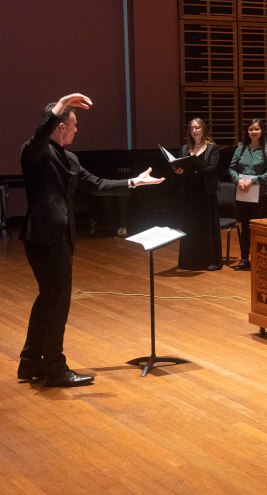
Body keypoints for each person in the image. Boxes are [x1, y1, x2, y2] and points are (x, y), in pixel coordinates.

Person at [19, 93, 164, 387]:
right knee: (56, 303)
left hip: (61, 237)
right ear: (60, 125)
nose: (76, 129)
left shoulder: (69, 158)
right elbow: (38, 137)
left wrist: (134, 181)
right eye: (72, 124)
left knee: (48, 299)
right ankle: (55, 369)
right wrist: (60, 105)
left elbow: (96, 185)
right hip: (44, 237)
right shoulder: (34, 152)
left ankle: (30, 362)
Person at [228, 118, 267, 271]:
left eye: (256, 129)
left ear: (262, 131)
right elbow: (231, 168)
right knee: (245, 227)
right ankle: (244, 259)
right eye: (251, 129)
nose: (254, 132)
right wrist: (238, 180)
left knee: (260, 228)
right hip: (244, 194)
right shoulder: (241, 149)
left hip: (262, 195)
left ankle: (263, 259)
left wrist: (254, 180)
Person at [176, 117, 222, 271]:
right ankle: (189, 260)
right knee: (190, 225)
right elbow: (180, 166)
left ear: (203, 129)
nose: (194, 131)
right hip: (189, 192)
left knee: (206, 226)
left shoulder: (211, 148)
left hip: (205, 192)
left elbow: (212, 167)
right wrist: (178, 170)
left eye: (197, 128)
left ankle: (210, 260)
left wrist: (195, 168)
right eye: (191, 129)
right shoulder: (184, 149)